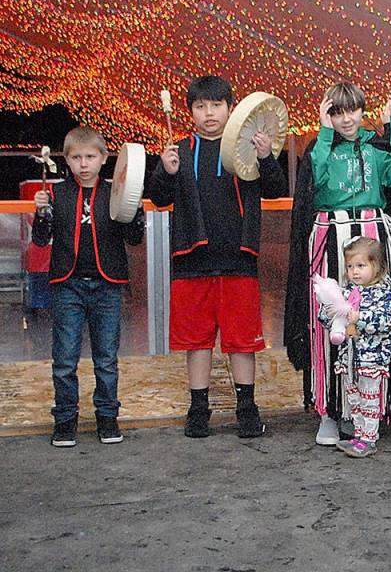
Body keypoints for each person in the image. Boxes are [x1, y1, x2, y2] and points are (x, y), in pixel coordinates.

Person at [149, 75, 287, 439]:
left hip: (239, 259)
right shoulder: (178, 149)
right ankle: (198, 410)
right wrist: (165, 170)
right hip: (191, 261)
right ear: (190, 111)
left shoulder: (250, 148)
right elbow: (159, 198)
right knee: (196, 342)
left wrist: (266, 157)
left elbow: (275, 190)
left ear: (231, 107)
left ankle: (247, 408)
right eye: (200, 106)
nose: (208, 113)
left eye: (216, 105)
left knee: (242, 341)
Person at [284, 82, 391, 446]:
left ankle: (368, 409)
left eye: (351, 110)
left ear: (362, 110)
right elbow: (319, 179)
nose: (346, 119)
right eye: (337, 112)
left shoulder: (375, 147)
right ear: (329, 116)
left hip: (371, 236)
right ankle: (329, 409)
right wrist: (324, 132)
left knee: (373, 322)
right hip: (329, 238)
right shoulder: (320, 148)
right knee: (328, 320)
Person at [33, 127, 145, 447]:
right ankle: (66, 419)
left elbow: (133, 238)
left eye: (90, 157)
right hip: (67, 284)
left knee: (106, 356)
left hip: (107, 284)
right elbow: (41, 239)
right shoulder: (56, 194)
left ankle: (107, 417)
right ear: (66, 160)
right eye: (77, 157)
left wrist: (136, 211)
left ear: (104, 158)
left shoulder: (117, 192)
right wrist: (41, 213)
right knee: (65, 357)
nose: (84, 164)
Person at [332, 238, 391, 458]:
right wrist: (331, 313)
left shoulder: (385, 295)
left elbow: (387, 320)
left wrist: (360, 317)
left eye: (361, 266)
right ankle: (358, 434)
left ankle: (369, 438)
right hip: (350, 358)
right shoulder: (347, 292)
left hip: (372, 359)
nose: (354, 272)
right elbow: (330, 317)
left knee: (369, 398)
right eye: (350, 266)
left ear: (377, 266)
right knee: (354, 398)